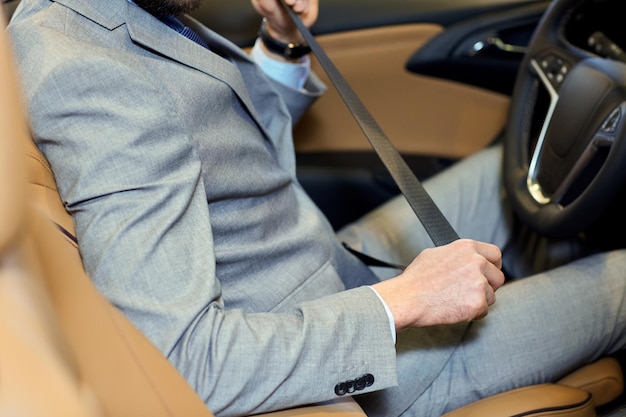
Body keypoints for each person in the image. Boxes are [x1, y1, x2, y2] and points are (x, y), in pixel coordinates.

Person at [7, 0, 626, 416]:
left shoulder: (117, 13)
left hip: (325, 259)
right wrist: (403, 303)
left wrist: (281, 45)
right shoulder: (88, 73)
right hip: (362, 355)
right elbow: (182, 363)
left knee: (509, 173)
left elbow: (219, 145)